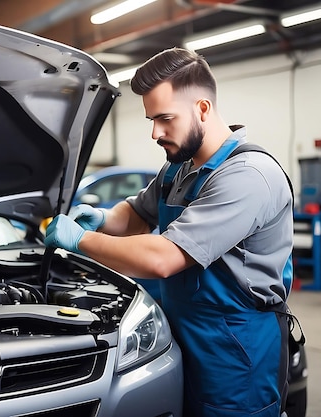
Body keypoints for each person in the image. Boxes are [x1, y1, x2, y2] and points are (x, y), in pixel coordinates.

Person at [44, 47, 293, 417]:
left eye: (164, 119)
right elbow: (137, 214)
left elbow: (163, 258)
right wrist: (102, 217)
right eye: (151, 119)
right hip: (181, 338)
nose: (154, 133)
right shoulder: (180, 167)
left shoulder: (248, 176)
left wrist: (81, 241)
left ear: (202, 109)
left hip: (235, 354)